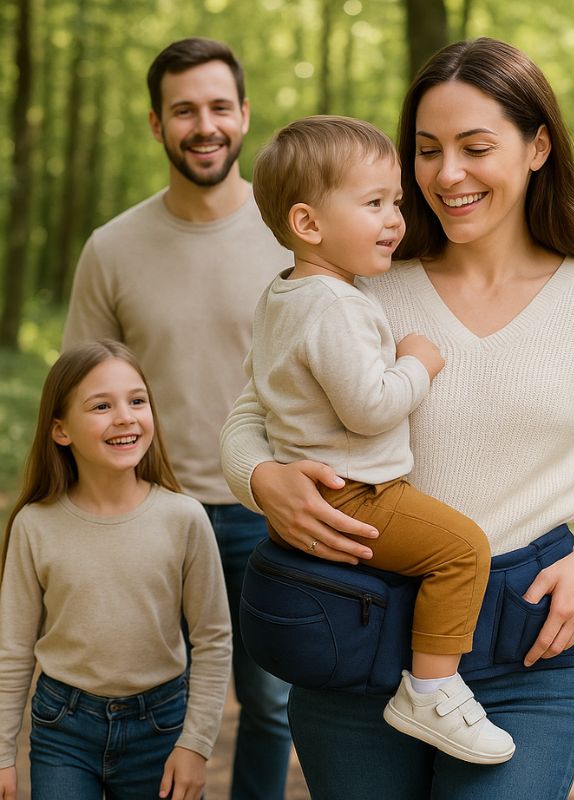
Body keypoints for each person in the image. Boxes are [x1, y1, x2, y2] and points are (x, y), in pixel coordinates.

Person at [220, 37, 574, 799]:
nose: (447, 174)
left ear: (537, 148)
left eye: (475, 147)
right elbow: (249, 415)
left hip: (522, 649)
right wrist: (262, 477)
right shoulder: (360, 284)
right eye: (427, 151)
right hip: (355, 630)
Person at [61, 38, 292, 799]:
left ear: (244, 115)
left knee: (269, 704)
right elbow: (85, 396)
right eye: (184, 110)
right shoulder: (112, 248)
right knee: (157, 707)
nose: (205, 125)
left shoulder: (297, 234)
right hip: (155, 516)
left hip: (274, 514)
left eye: (219, 107)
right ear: (157, 124)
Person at [245, 114, 515, 763]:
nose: (395, 218)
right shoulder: (335, 304)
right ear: (308, 224)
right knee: (462, 551)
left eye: (395, 200)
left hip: (327, 487)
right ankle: (431, 688)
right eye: (374, 204)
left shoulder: (288, 293)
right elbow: (370, 407)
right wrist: (418, 361)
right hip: (356, 492)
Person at [0, 340, 232, 800]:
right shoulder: (35, 524)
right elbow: (13, 648)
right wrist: (3, 751)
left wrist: (196, 744)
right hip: (62, 728)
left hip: (162, 727)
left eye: (137, 400)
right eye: (101, 405)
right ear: (60, 431)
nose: (125, 416)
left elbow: (213, 638)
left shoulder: (184, 518)